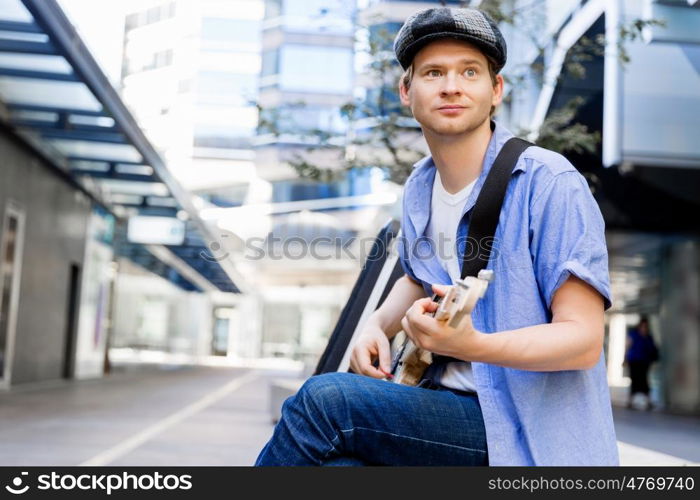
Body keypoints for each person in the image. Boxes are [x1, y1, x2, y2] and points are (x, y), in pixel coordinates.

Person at [255, 6, 618, 466]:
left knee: (327, 402)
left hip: (523, 434)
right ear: (406, 91)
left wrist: (472, 346)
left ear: (496, 90)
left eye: (470, 71)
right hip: (442, 406)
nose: (451, 86)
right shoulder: (421, 186)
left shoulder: (548, 181)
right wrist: (376, 325)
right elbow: (418, 271)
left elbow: (582, 341)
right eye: (433, 72)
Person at [625, 316, 659, 410]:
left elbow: (652, 349)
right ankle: (630, 401)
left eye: (645, 326)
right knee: (634, 380)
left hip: (644, 362)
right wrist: (625, 358)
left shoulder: (648, 337)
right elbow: (628, 346)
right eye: (642, 326)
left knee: (644, 381)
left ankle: (648, 401)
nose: (644, 328)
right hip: (634, 361)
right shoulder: (634, 334)